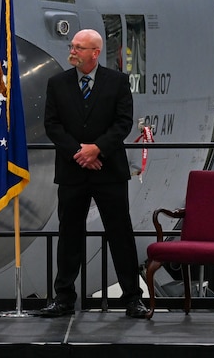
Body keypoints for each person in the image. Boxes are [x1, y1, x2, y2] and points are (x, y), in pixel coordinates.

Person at [34, 28, 149, 319]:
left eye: (78, 47)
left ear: (95, 53)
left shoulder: (117, 82)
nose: (72, 51)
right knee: (69, 234)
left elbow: (123, 123)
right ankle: (63, 299)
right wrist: (80, 153)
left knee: (120, 234)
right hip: (73, 173)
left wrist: (97, 149)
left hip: (109, 171)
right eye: (72, 46)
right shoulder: (57, 84)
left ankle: (133, 298)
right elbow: (53, 125)